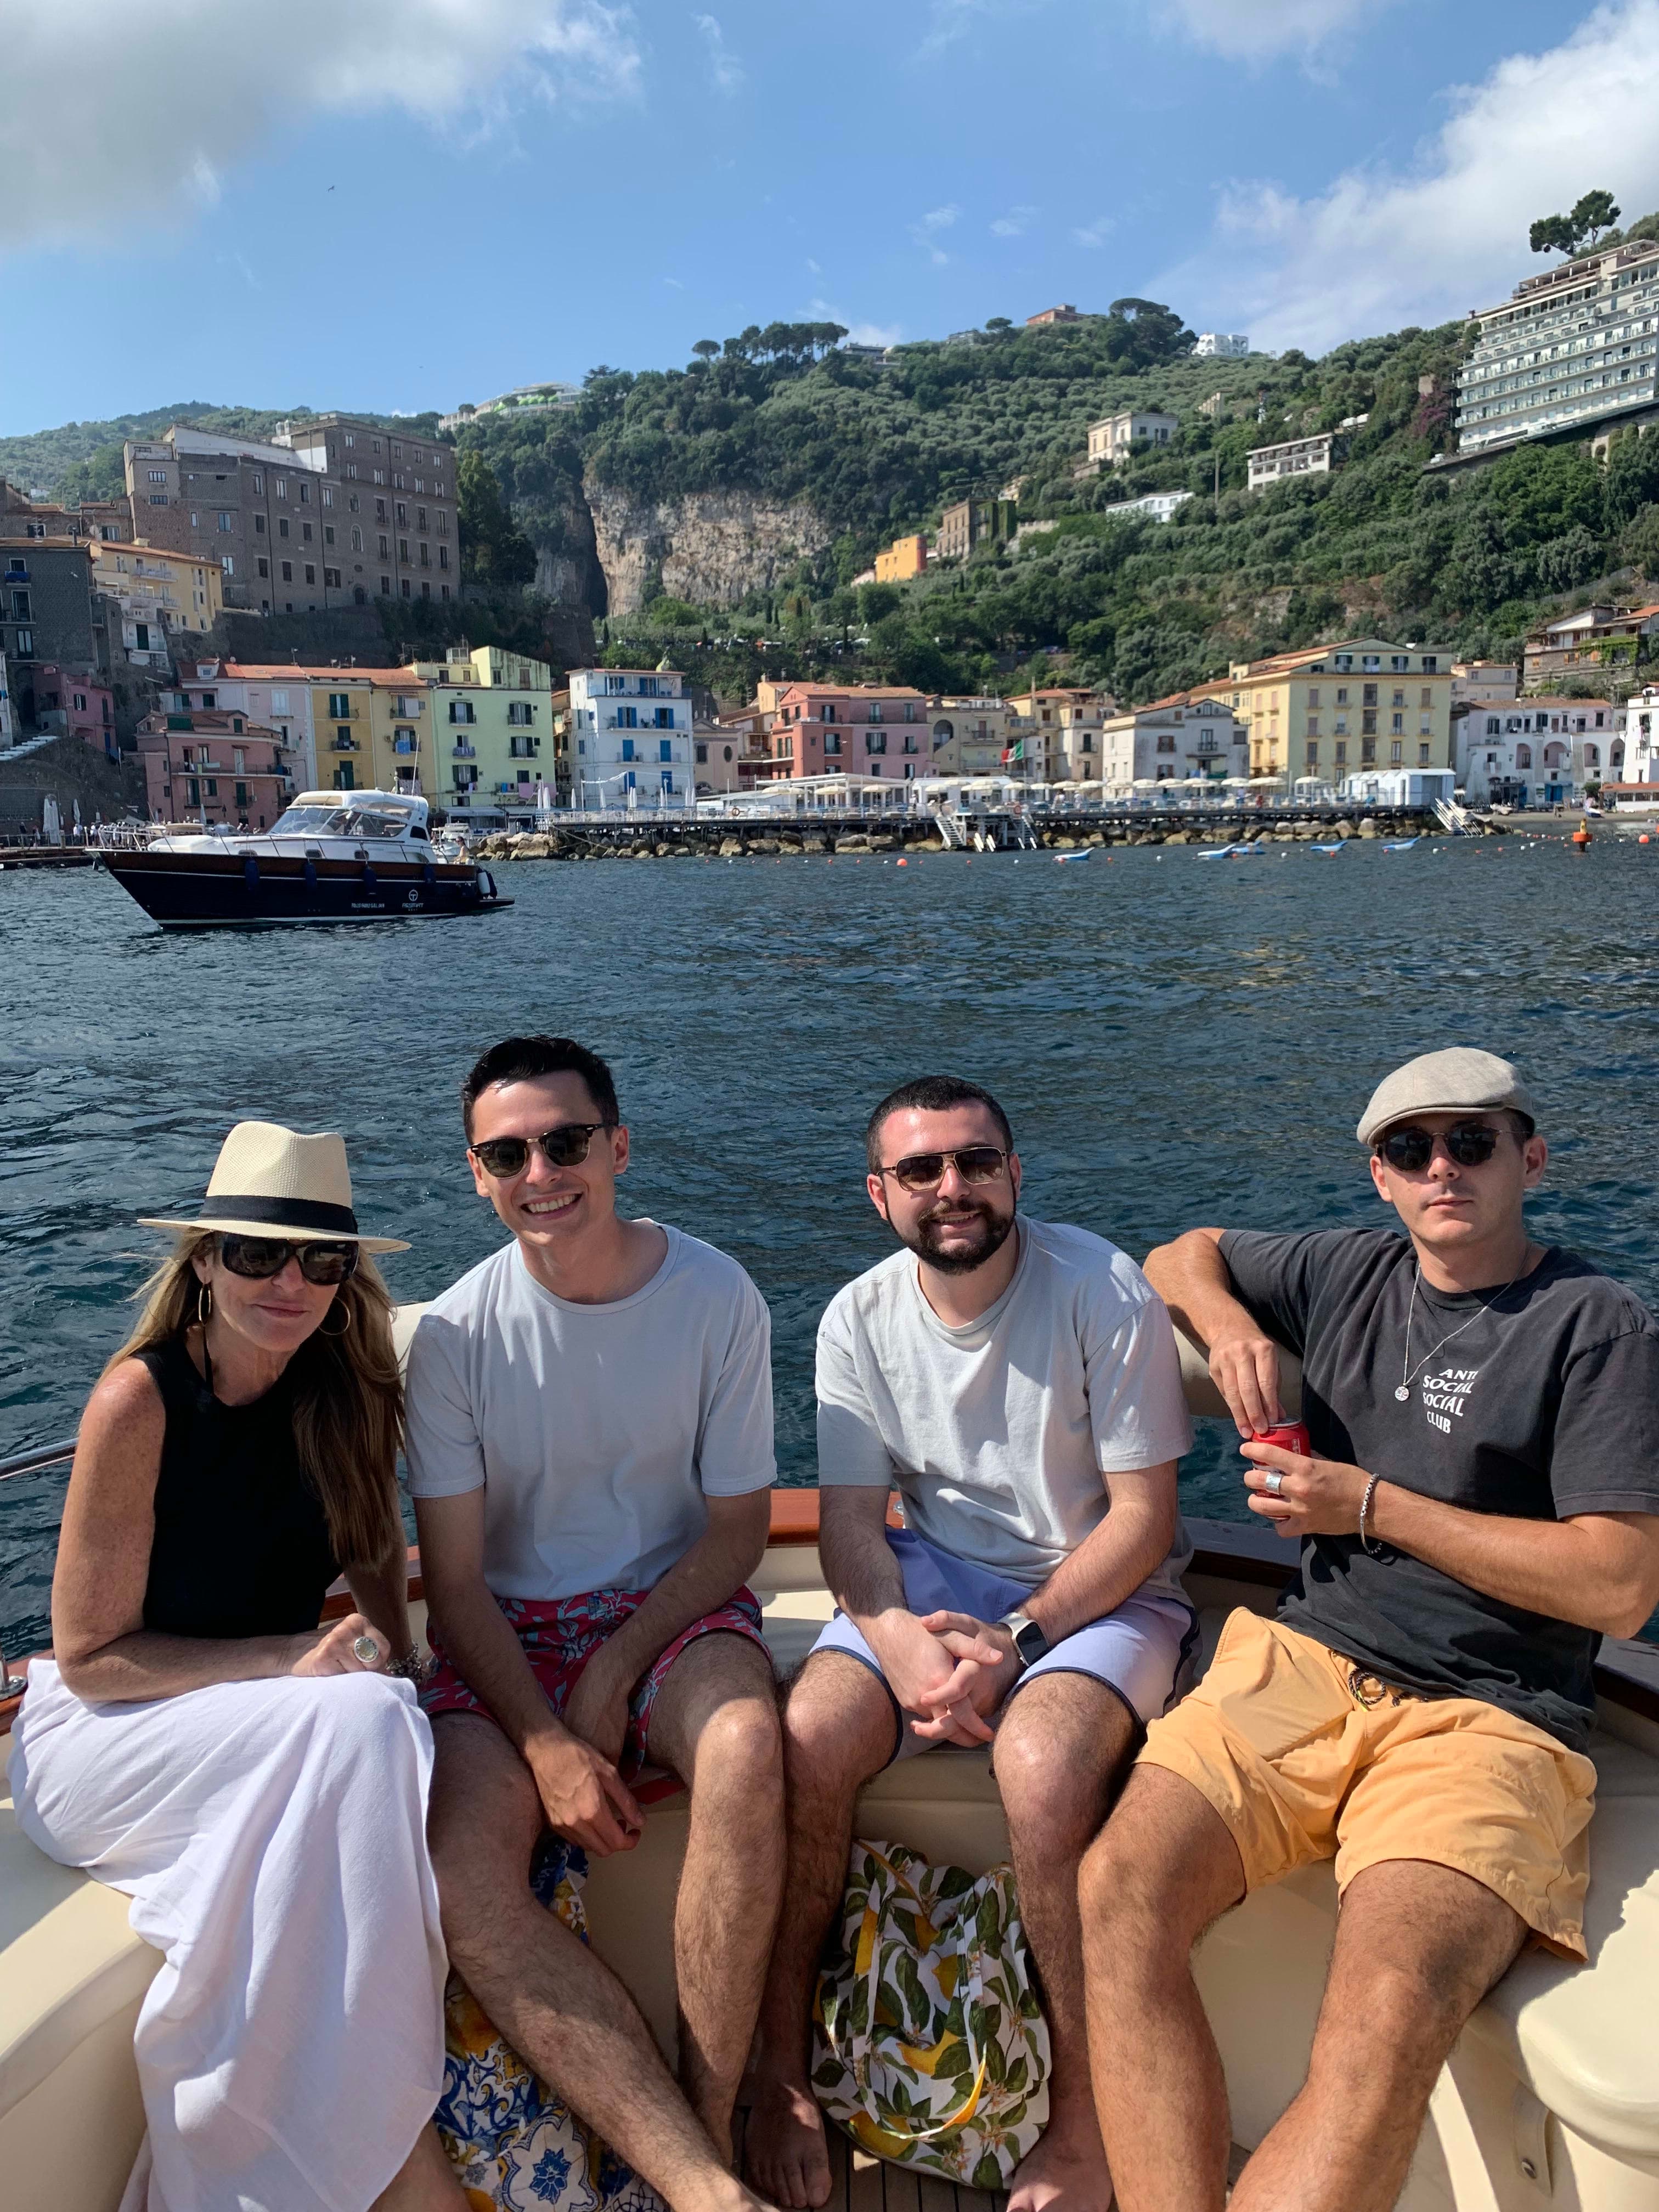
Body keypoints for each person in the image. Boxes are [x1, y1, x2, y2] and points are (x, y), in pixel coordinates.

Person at [1081, 1047, 1659, 2212]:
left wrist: (1374, 1507)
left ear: (1529, 1157)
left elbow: (1620, 1586)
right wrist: (1228, 1325)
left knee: (1386, 2016)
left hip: (1492, 1717)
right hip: (1306, 1658)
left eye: (1471, 1142)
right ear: (1380, 1180)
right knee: (1116, 1889)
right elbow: (1177, 1252)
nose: (1441, 1167)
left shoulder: (1594, 1323)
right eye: (1411, 1150)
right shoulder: (1345, 1272)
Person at [746, 1075, 1196, 2212]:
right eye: (922, 1170)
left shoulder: (1103, 1288)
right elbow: (851, 1524)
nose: (954, 1189)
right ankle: (784, 2077)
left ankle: (1085, 2124)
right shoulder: (859, 1318)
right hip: (937, 1579)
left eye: (976, 1162)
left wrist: (1017, 1637)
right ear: (877, 1194)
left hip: (1100, 1583)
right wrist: (896, 1640)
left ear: (1014, 1173)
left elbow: (1145, 1520)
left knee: (1040, 1769)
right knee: (805, 1736)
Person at [8, 1121, 460, 2212]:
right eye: (256, 1254)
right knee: (362, 1730)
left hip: (243, 1723)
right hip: (103, 1738)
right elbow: (91, 1658)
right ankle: (394, 2173)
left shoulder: (348, 1395)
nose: (288, 1281)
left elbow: (366, 1558)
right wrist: (294, 1662)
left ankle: (304, 2156)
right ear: (205, 1261)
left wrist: (395, 1658)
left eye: (321, 1260)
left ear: (347, 1279)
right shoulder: (142, 1400)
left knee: (379, 1724)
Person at [405, 1035, 784, 2212]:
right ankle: (705, 2190)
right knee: (462, 1874)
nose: (540, 1171)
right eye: (507, 1152)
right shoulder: (457, 1340)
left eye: (565, 1142)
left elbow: (734, 1532)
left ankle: (709, 2130)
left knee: (747, 1746)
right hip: (507, 1630)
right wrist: (546, 1738)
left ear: (617, 1147)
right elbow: (457, 1586)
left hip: (669, 1606)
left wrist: (615, 1673)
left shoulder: (716, 1295)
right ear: (477, 1173)